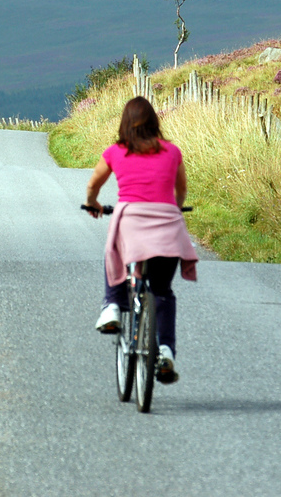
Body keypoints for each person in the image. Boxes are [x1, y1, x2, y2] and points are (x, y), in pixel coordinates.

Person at [85, 96, 198, 384]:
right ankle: (165, 351)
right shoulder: (172, 152)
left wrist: (94, 204)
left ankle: (112, 306)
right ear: (154, 123)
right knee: (162, 290)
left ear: (124, 124)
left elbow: (93, 185)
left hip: (132, 223)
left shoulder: (115, 152)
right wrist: (173, 206)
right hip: (167, 227)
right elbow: (181, 190)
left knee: (115, 254)